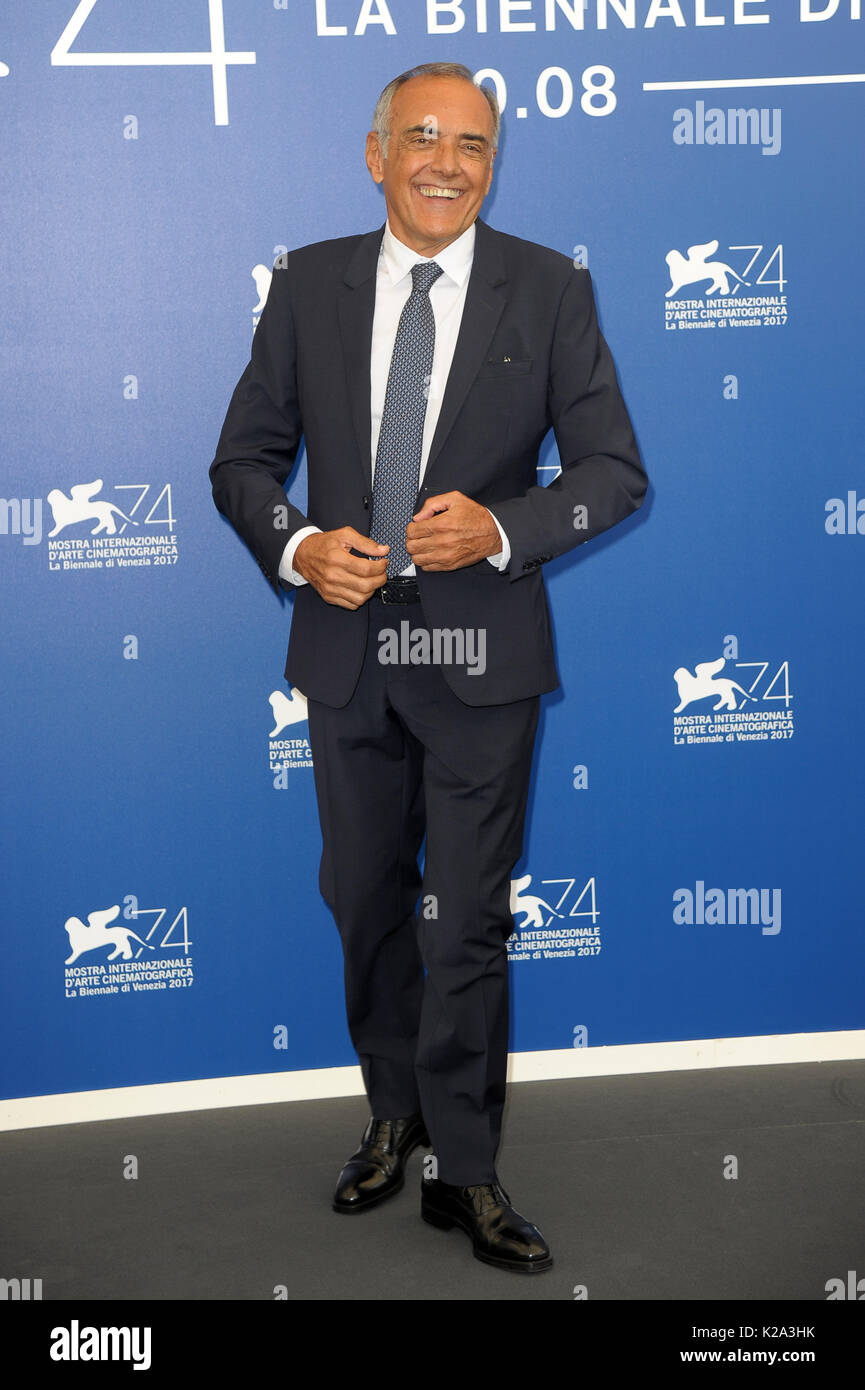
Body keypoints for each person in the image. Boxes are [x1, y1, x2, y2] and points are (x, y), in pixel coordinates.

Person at [210, 61, 647, 1275]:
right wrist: (298, 545)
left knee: (463, 919)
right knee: (364, 901)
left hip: (479, 660)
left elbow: (613, 472)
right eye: (422, 138)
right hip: (349, 651)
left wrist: (506, 529)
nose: (447, 162)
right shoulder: (306, 285)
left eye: (472, 144)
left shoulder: (551, 288)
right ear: (375, 154)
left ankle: (465, 1168)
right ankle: (389, 1110)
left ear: (493, 162)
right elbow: (240, 461)